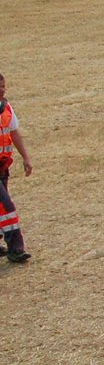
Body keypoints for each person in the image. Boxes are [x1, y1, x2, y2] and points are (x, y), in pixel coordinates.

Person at [0, 74, 33, 263]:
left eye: (3, 86)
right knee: (7, 207)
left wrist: (26, 158)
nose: (2, 90)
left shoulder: (6, 108)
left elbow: (14, 133)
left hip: (3, 167)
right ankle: (16, 248)